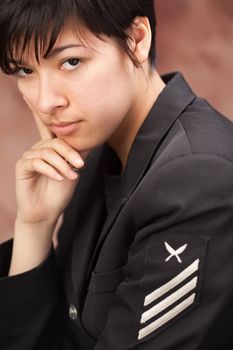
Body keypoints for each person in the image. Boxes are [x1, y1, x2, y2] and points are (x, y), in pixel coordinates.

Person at [0, 0, 233, 349]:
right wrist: (34, 225)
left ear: (137, 39)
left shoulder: (198, 178)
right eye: (24, 70)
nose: (45, 101)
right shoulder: (93, 157)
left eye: (71, 62)